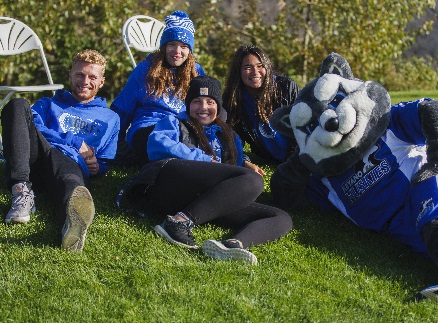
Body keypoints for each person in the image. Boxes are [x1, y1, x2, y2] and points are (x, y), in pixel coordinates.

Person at [117, 75, 292, 264]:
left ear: (218, 106)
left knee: (281, 217)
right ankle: (178, 222)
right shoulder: (174, 121)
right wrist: (207, 160)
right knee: (252, 180)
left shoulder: (229, 136)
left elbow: (234, 171)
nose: (203, 108)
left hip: (204, 200)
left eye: (210, 102)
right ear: (188, 104)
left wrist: (244, 164)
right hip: (169, 183)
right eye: (196, 101)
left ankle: (232, 245)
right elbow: (157, 145)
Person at [1, 49, 120, 252]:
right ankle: (21, 192)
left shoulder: (110, 118)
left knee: (72, 185)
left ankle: (71, 227)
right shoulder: (48, 104)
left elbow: (105, 161)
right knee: (17, 104)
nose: (85, 81)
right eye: (80, 74)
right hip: (35, 158)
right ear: (70, 76)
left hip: (69, 164)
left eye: (93, 77)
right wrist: (73, 141)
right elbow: (33, 125)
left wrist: (97, 168)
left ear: (101, 81)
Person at [111, 10, 204, 166]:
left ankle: (185, 164)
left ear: (190, 50)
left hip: (181, 130)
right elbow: (121, 109)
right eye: (172, 44)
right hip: (148, 128)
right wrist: (116, 144)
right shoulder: (144, 70)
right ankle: (193, 162)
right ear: (164, 46)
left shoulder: (196, 72)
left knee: (183, 139)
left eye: (183, 46)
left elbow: (206, 106)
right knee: (159, 142)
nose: (177, 51)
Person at [223, 44, 299, 163]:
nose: (255, 72)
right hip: (267, 159)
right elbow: (232, 139)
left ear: (267, 67)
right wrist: (245, 161)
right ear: (238, 71)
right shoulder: (233, 100)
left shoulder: (286, 87)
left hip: (298, 156)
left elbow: (302, 126)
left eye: (260, 66)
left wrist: (295, 161)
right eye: (247, 67)